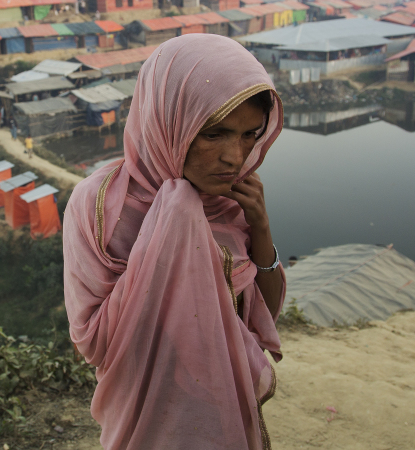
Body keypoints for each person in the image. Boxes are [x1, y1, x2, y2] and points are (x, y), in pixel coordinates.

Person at [64, 34, 285, 450]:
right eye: (214, 134)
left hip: (223, 412)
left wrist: (261, 227)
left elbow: (262, 319)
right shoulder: (100, 206)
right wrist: (171, 234)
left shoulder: (231, 200)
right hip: (145, 419)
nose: (234, 158)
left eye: (249, 135)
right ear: (169, 119)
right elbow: (92, 343)